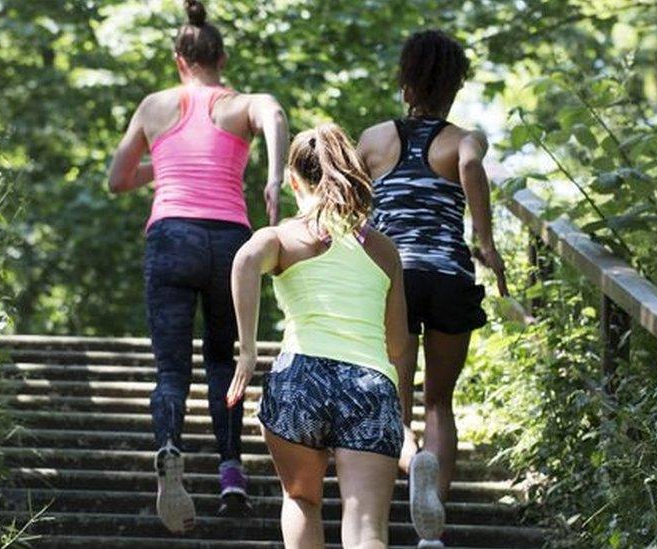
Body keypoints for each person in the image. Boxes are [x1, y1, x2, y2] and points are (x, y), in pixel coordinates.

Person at [107, 0, 288, 533]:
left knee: (171, 369)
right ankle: (231, 472)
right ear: (221, 57)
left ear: (178, 59)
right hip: (229, 242)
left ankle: (170, 449)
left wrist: (162, 168)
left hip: (171, 237)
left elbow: (117, 179)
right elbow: (274, 114)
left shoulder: (155, 107)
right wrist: (274, 177)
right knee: (221, 360)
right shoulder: (239, 103)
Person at [226, 124, 417, 548]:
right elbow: (399, 344)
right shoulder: (383, 248)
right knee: (366, 522)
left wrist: (248, 350)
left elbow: (244, 260)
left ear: (294, 180)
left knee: (301, 499)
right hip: (368, 384)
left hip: (299, 378)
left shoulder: (283, 237)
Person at [357, 29, 508, 544]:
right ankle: (433, 524)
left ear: (405, 85)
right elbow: (469, 164)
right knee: (440, 401)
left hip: (392, 278)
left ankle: (409, 462)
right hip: (447, 275)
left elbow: (351, 208)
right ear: (454, 87)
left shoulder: (374, 140)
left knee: (394, 399)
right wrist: (486, 244)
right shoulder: (464, 140)